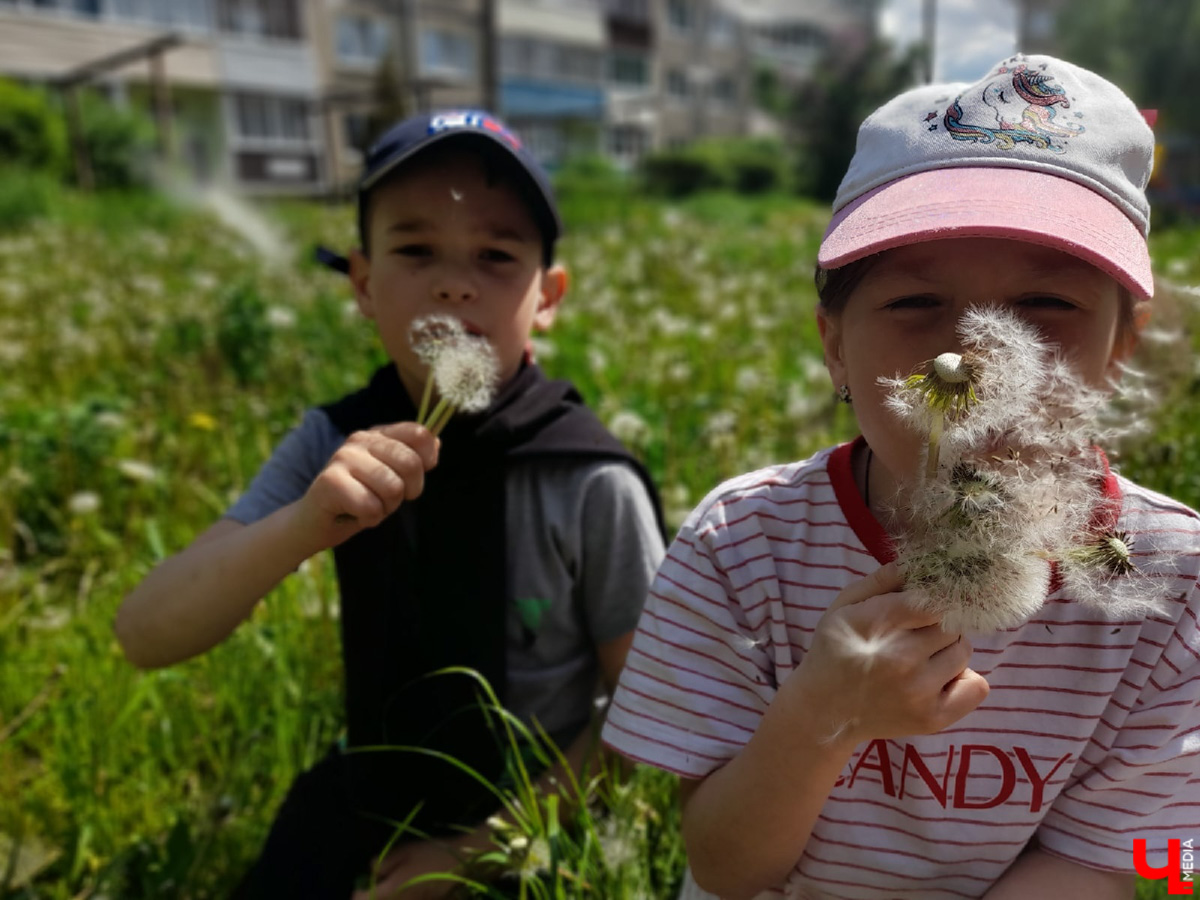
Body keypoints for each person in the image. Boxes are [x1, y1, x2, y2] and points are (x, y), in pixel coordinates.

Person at [602, 54, 1200, 900]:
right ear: (834, 345)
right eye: (917, 305)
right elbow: (724, 866)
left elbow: (1114, 866)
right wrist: (818, 717)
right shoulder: (737, 546)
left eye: (1047, 307)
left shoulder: (1173, 580)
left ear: (1120, 351)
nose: (978, 355)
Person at [114, 110, 666, 899]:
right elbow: (144, 634)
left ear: (547, 297)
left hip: (535, 819)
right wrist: (303, 525)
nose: (453, 280)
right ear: (365, 285)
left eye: (496, 253)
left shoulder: (589, 479)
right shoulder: (329, 444)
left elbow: (646, 711)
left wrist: (478, 848)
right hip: (372, 794)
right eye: (415, 249)